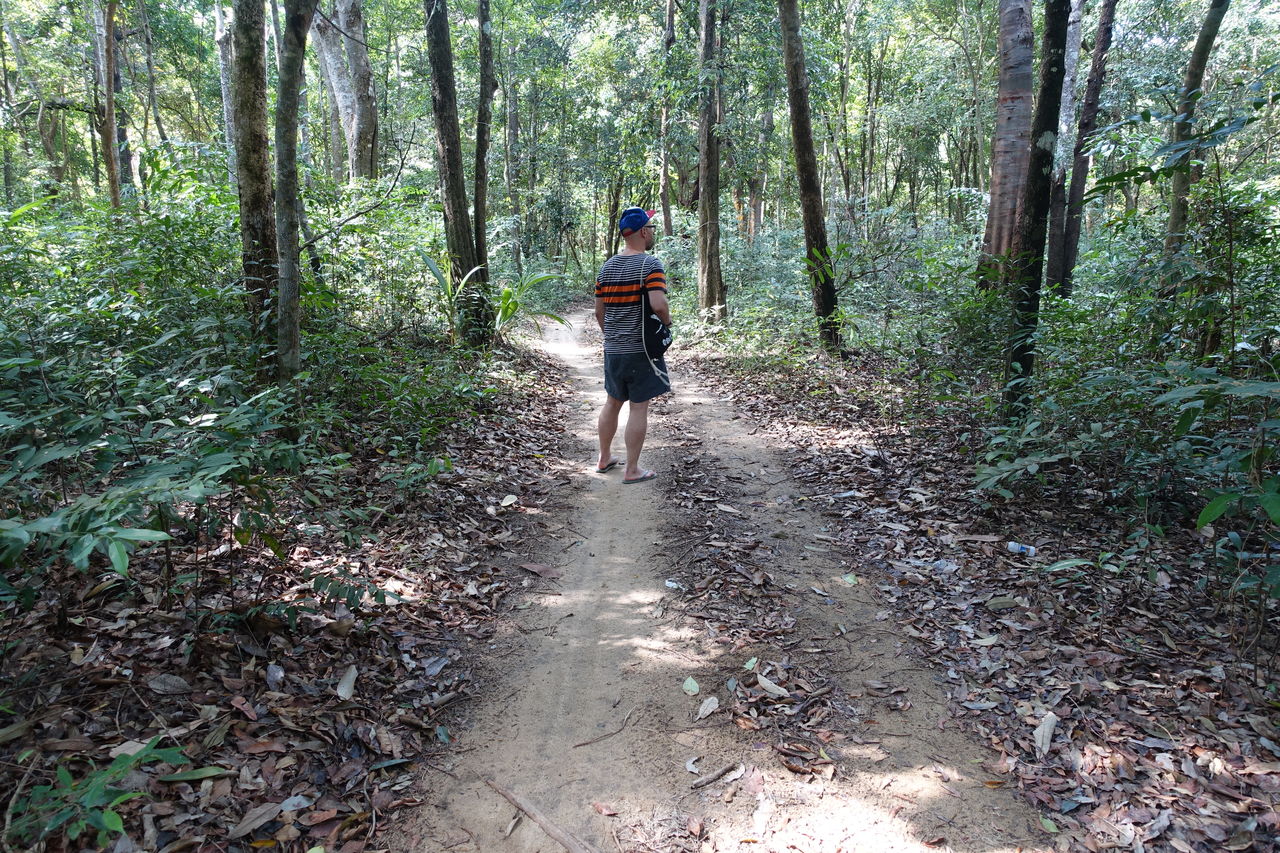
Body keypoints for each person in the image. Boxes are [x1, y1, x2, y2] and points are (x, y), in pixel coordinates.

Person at [594, 206, 672, 484]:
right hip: (640, 350)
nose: (652, 232)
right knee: (639, 406)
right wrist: (668, 321)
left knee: (613, 402)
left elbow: (599, 313)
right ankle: (632, 470)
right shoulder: (650, 264)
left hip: (613, 350)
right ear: (642, 232)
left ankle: (604, 458)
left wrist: (613, 336)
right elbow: (658, 304)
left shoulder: (607, 266)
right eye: (650, 227)